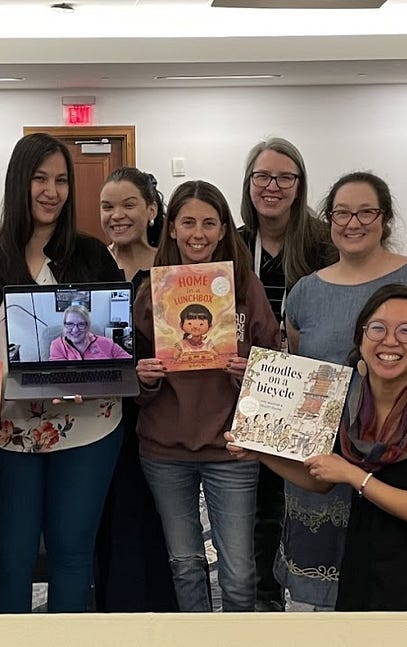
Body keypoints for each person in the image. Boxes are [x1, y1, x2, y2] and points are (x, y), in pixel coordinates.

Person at [229, 284, 407, 611]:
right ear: (361, 339)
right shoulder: (352, 401)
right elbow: (321, 478)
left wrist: (354, 476)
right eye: (377, 328)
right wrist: (260, 451)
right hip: (370, 551)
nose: (390, 340)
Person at [276, 171, 407, 610]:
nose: (353, 222)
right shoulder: (306, 291)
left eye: (366, 211)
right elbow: (303, 372)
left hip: (396, 467)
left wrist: (401, 425)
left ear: (385, 218)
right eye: (341, 212)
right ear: (328, 220)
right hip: (319, 463)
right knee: (318, 604)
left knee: (386, 591)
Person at [0, 133, 126, 613]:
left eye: (60, 180)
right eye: (39, 179)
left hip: (89, 426)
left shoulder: (94, 256)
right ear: (18, 183)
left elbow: (117, 342)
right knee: (9, 555)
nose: (51, 191)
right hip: (9, 430)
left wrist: (96, 374)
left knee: (72, 553)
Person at [133, 179, 281, 612]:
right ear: (171, 228)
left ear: (223, 230)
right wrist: (146, 378)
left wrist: (249, 371)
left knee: (237, 571)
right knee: (184, 563)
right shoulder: (150, 294)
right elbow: (132, 387)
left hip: (231, 449)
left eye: (209, 223)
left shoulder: (244, 287)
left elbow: (275, 371)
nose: (198, 233)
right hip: (164, 450)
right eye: (188, 222)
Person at [235, 137, 335, 610]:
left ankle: (311, 591)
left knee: (306, 493)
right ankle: (264, 597)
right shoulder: (233, 243)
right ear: (248, 183)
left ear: (299, 186)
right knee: (258, 502)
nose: (272, 186)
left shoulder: (324, 244)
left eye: (284, 177)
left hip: (310, 389)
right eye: (262, 176)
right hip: (250, 390)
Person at [91, 167, 181, 612]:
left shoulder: (173, 270)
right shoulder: (90, 265)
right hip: (100, 418)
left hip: (161, 420)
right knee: (106, 522)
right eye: (107, 206)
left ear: (151, 210)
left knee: (155, 523)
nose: (117, 215)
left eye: (128, 205)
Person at [49, 303, 132, 360]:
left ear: (87, 326)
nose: (75, 330)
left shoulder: (107, 343)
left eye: (81, 324)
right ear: (64, 326)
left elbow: (129, 363)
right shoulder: (57, 345)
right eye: (70, 324)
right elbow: (58, 373)